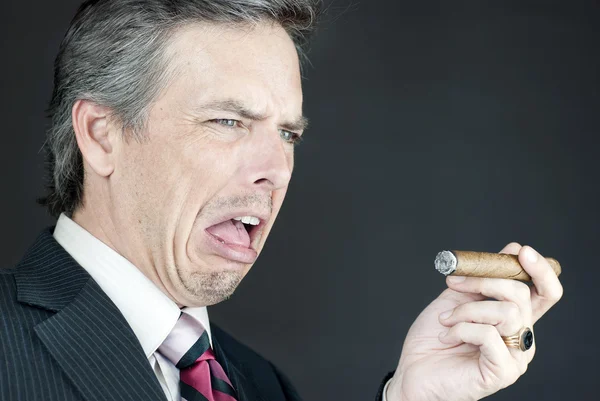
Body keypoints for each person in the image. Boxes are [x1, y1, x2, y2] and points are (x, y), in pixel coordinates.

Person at [0, 1, 563, 400]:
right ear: (102, 135)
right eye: (228, 120)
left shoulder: (261, 385)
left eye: (288, 135)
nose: (276, 171)